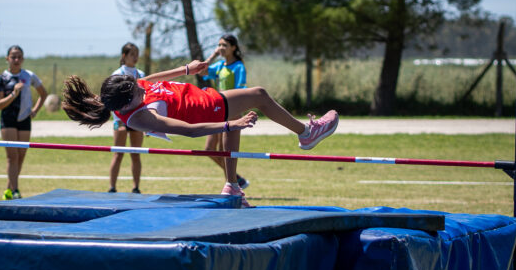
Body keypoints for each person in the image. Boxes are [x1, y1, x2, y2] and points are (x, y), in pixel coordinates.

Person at [62, 59, 338, 207]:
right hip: (205, 108)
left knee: (242, 110)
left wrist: (186, 69)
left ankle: (232, 185)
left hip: (202, 96)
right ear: (126, 105)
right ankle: (306, 133)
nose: (141, 89)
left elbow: (151, 80)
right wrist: (229, 125)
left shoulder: (127, 90)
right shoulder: (141, 117)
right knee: (259, 95)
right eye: (137, 93)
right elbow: (189, 131)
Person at [0, 45, 48, 200]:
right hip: (8, 119)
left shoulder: (28, 76)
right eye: (13, 57)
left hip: (24, 119)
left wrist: (35, 110)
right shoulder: (1, 79)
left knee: (21, 157)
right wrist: (14, 93)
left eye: (19, 57)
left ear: (23, 59)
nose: (16, 60)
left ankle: (8, 190)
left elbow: (43, 94)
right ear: (7, 58)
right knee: (12, 157)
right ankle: (16, 191)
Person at [202, 34, 250, 190]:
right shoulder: (219, 65)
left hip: (231, 110)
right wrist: (213, 55)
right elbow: (202, 71)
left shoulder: (238, 66)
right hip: (217, 110)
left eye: (224, 45)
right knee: (209, 150)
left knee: (225, 151)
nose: (221, 48)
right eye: (219, 45)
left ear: (233, 48)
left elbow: (241, 90)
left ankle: (231, 187)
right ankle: (235, 179)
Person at [108, 42, 145, 194]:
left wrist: (148, 124)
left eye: (137, 54)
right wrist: (117, 120)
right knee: (118, 154)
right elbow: (110, 99)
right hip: (120, 119)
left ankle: (136, 188)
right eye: (132, 54)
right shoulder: (117, 74)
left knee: (136, 154)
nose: (135, 57)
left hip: (137, 119)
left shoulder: (141, 74)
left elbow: (146, 99)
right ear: (124, 56)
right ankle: (112, 187)